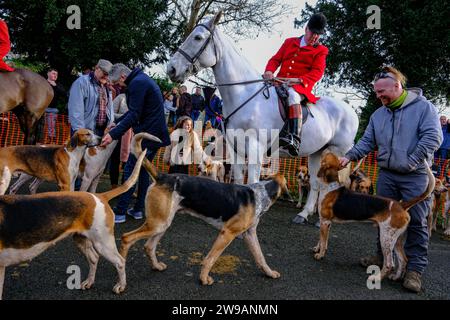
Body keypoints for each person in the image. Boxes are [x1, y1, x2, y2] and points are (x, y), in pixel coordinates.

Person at [339, 66, 442, 293]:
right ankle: (382, 255)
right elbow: (367, 141)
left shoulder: (425, 108)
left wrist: (411, 161)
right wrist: (349, 156)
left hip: (416, 176)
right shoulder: (378, 115)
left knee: (417, 221)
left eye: (382, 92)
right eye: (376, 93)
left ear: (397, 86)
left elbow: (433, 137)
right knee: (382, 218)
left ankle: (414, 269)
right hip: (387, 175)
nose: (379, 97)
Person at [100, 63, 170, 224]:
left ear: (123, 77)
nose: (119, 86)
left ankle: (120, 211)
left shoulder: (137, 83)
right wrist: (117, 121)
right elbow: (134, 113)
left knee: (130, 171)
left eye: (118, 83)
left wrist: (113, 134)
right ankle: (138, 209)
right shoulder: (141, 79)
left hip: (147, 136)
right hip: (153, 134)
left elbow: (134, 115)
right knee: (143, 172)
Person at [263, 13, 328, 156]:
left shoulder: (321, 50)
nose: (315, 37)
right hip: (278, 83)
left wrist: (298, 80)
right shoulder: (289, 42)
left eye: (318, 34)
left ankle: (293, 137)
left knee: (292, 96)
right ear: (306, 29)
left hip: (300, 88)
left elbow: (317, 72)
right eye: (313, 32)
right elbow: (275, 60)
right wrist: (269, 71)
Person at [68, 59, 114, 136]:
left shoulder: (107, 86)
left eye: (108, 75)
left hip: (101, 132)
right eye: (105, 73)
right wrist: (80, 132)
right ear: (97, 68)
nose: (106, 77)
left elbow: (109, 109)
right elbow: (75, 109)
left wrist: (110, 125)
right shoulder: (81, 82)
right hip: (84, 132)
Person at [43, 68, 67, 140]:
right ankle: (38, 142)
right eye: (53, 73)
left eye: (56, 74)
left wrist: (55, 86)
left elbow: (64, 94)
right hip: (41, 109)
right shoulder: (43, 82)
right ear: (48, 73)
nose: (55, 75)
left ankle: (51, 142)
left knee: (51, 128)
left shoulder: (58, 85)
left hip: (52, 110)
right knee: (40, 127)